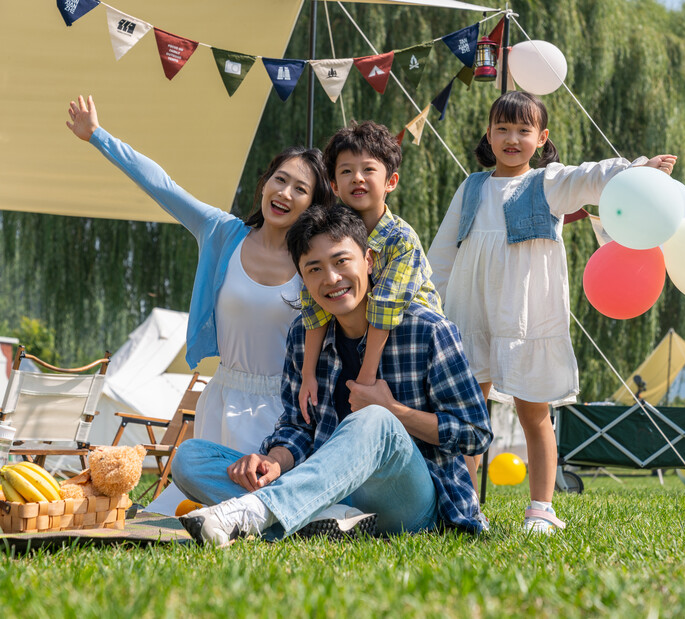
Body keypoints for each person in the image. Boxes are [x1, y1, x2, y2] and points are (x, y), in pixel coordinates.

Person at [65, 95, 334, 511]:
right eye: (279, 179)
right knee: (183, 509)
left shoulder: (314, 260)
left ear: (312, 204)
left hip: (283, 412)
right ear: (265, 182)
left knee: (249, 502)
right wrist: (97, 136)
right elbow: (162, 185)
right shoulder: (224, 234)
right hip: (222, 398)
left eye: (300, 188)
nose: (284, 192)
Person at [428, 90, 677, 534]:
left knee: (534, 410)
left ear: (541, 138)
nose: (511, 138)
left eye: (523, 130)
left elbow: (593, 177)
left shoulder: (548, 183)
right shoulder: (471, 188)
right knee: (469, 411)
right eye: (502, 128)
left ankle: (541, 508)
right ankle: (463, 504)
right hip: (471, 310)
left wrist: (637, 172)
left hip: (527, 313)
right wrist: (433, 305)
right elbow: (444, 251)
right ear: (488, 134)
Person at [175, 205, 492, 546]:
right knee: (190, 458)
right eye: (314, 269)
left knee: (376, 420)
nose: (331, 279)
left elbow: (475, 433)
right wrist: (275, 461)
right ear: (302, 277)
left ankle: (256, 512)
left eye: (342, 262)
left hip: (411, 501)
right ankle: (321, 517)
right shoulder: (303, 336)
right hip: (332, 491)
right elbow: (298, 427)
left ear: (369, 261)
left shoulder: (428, 331)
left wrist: (395, 412)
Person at [298, 120, 443, 424]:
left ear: (391, 181)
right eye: (346, 171)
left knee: (425, 416)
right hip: (359, 340)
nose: (357, 178)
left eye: (369, 169)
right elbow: (313, 305)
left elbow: (386, 306)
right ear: (334, 185)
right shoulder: (330, 237)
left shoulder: (401, 240)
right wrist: (308, 374)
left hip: (410, 342)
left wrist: (365, 383)